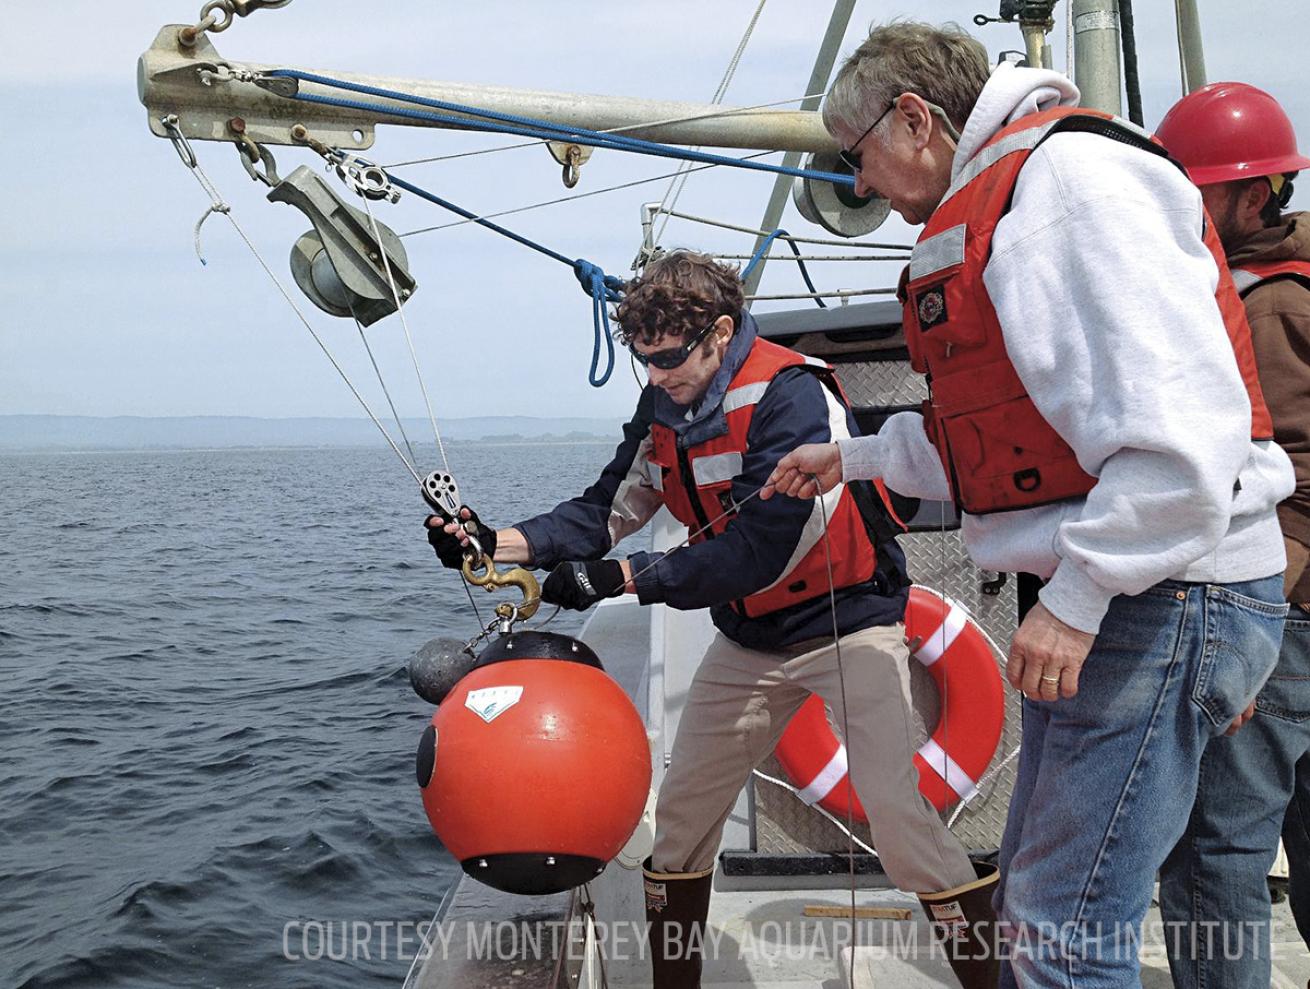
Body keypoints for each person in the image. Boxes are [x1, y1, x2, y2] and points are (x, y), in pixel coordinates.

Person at [762, 21, 1295, 988]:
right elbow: (1002, 443)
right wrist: (850, 455)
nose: (865, 185)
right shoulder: (1020, 195)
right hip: (1153, 592)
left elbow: (1181, 444)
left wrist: (1080, 596)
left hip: (1156, 595)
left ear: (915, 118)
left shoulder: (1068, 189)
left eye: (859, 157)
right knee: (1041, 914)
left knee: (1060, 934)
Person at [426, 250, 998, 989]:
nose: (657, 376)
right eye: (645, 362)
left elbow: (762, 548)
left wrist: (625, 578)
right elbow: (608, 508)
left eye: (668, 359)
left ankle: (994, 980)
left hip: (848, 623)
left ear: (720, 333)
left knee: (900, 821)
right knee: (684, 820)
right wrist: (498, 542)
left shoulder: (793, 393)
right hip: (752, 640)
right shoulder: (662, 402)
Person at [1153, 81, 1310, 989]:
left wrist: (1248, 631)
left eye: (1198, 191)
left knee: (1217, 852)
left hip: (1283, 616)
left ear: (1256, 197)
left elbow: (1289, 479)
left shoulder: (1263, 309)